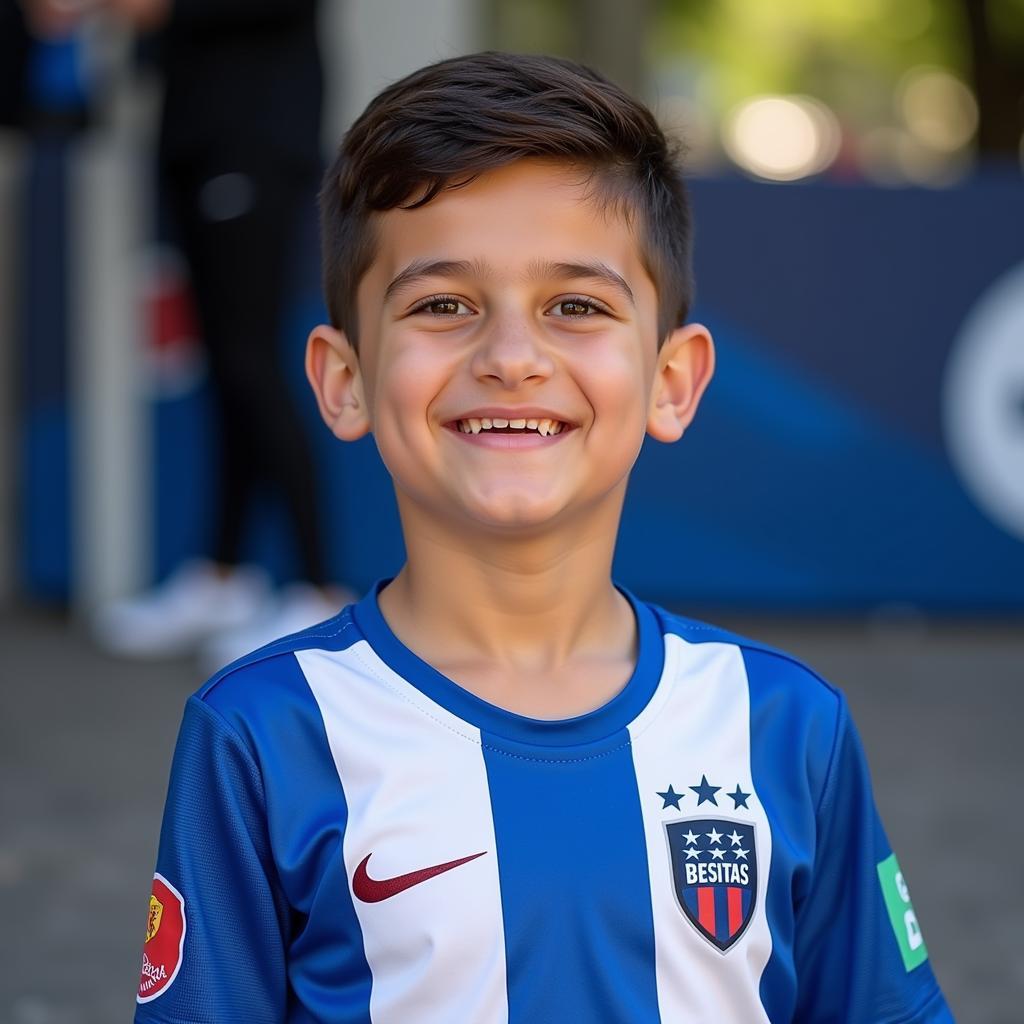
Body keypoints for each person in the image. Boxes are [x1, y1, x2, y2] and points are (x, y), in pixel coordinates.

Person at [133, 52, 953, 1023]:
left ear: (672, 380)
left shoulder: (782, 725)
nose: (512, 358)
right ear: (343, 379)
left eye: (576, 306)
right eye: (442, 305)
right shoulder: (263, 732)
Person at [86, 0, 347, 665]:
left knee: (250, 360)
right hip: (193, 138)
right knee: (226, 368)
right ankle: (223, 576)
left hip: (252, 136)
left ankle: (320, 590)